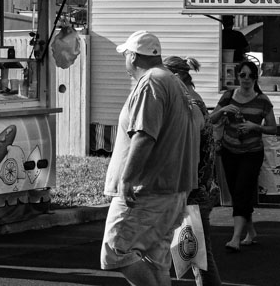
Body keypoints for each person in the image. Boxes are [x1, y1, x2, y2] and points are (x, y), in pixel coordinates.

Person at [101, 30, 201, 286]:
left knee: (115, 252)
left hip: (147, 190)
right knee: (155, 260)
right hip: (173, 188)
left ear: (133, 56)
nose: (125, 61)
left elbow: (144, 135)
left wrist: (126, 180)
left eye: (125, 55)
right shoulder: (174, 82)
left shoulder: (150, 82)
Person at [163, 55, 221, 286]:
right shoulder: (193, 101)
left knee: (199, 257)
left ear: (176, 77)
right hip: (199, 189)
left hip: (194, 191)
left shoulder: (190, 105)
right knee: (196, 255)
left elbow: (190, 151)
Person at [210, 60, 277, 251]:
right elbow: (211, 120)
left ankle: (235, 238)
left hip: (252, 152)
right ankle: (251, 231)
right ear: (238, 77)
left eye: (250, 75)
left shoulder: (262, 100)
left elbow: (272, 128)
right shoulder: (229, 96)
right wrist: (223, 110)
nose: (246, 79)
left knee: (241, 190)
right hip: (229, 150)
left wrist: (255, 126)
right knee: (237, 192)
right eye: (242, 75)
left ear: (255, 78)